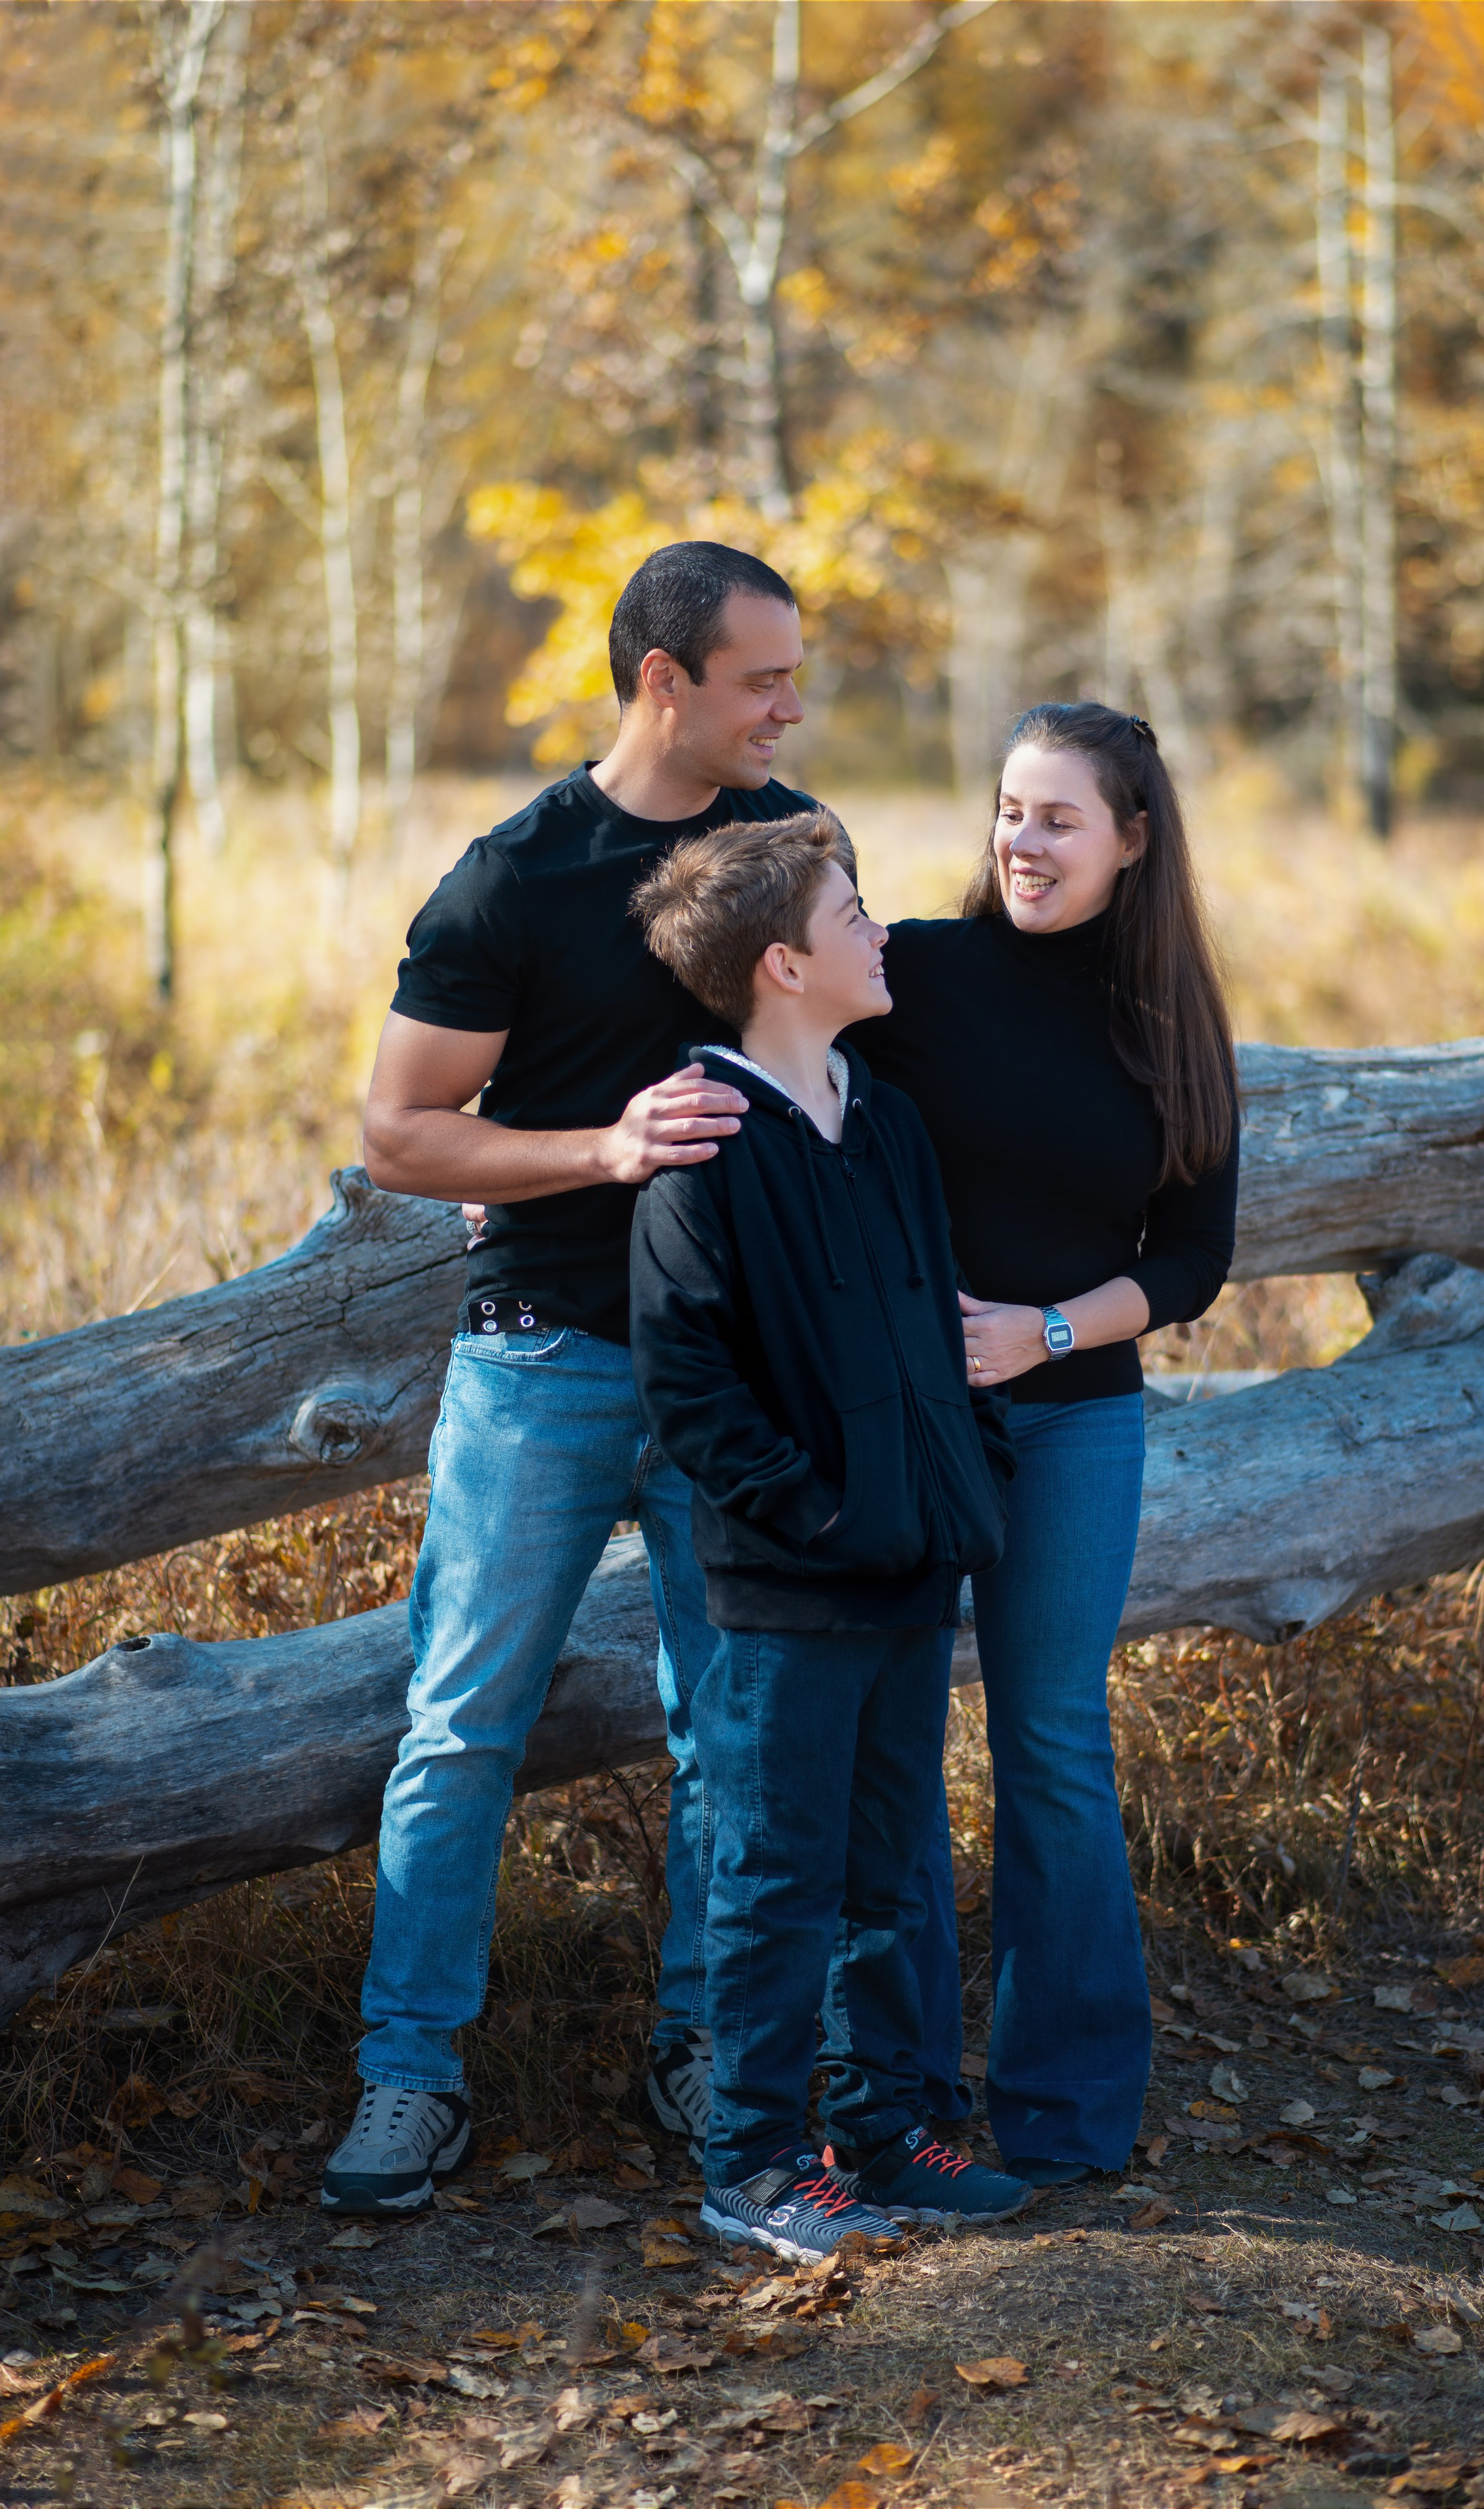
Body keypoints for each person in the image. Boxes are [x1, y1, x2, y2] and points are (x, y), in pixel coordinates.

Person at [321, 542, 823, 2216]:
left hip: (736, 1370)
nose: (788, 706)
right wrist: (600, 1149)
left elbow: (837, 1057)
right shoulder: (511, 880)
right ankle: (408, 2078)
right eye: (760, 678)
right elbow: (401, 1132)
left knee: (726, 1724)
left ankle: (705, 2047)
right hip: (545, 1360)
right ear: (662, 678)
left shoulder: (791, 846)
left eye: (792, 675)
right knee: (461, 1723)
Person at [629, 810, 1031, 2256]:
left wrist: (953, 1486)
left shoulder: (885, 1119)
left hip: (917, 1567)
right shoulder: (703, 1140)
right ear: (784, 963)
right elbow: (686, 1391)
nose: (882, 930)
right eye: (853, 912)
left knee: (893, 1863)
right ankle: (748, 2161)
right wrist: (822, 1514)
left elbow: (941, 1322)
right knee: (774, 1869)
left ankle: (883, 2130)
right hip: (790, 1590)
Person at [860, 702, 1239, 2185]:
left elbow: (1191, 1260)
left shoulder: (1167, 1028)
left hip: (1075, 1423)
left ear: (1133, 840)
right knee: (887, 1749)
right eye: (1009, 810)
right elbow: (762, 1067)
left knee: (1052, 1751)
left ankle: (1067, 2113)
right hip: (902, 1427)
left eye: (1057, 817)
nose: (1020, 841)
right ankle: (890, 2099)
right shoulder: (915, 974)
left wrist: (1048, 1331)